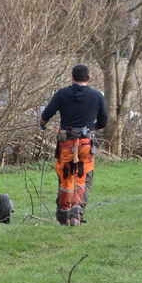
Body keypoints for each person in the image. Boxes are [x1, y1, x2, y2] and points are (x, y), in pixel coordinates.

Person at [40, 64, 107, 226]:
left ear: (72, 77)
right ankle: (77, 211)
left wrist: (43, 124)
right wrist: (92, 128)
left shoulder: (61, 94)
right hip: (86, 144)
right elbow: (104, 120)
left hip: (66, 144)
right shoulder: (97, 96)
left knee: (65, 177)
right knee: (83, 176)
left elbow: (46, 114)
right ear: (88, 78)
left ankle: (64, 213)